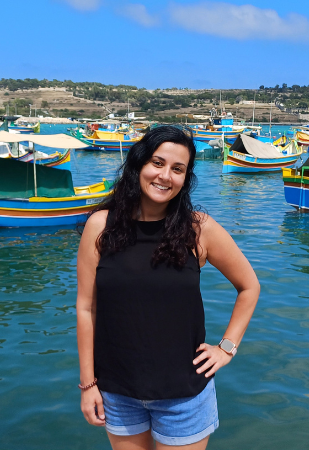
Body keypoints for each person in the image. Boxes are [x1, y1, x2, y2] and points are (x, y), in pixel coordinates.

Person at [76, 126, 260, 449]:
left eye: (177, 169)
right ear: (138, 165)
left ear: (186, 178)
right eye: (157, 163)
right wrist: (88, 384)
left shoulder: (198, 229)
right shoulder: (100, 226)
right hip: (118, 392)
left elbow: (249, 286)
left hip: (184, 397)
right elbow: (86, 309)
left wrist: (227, 347)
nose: (165, 176)